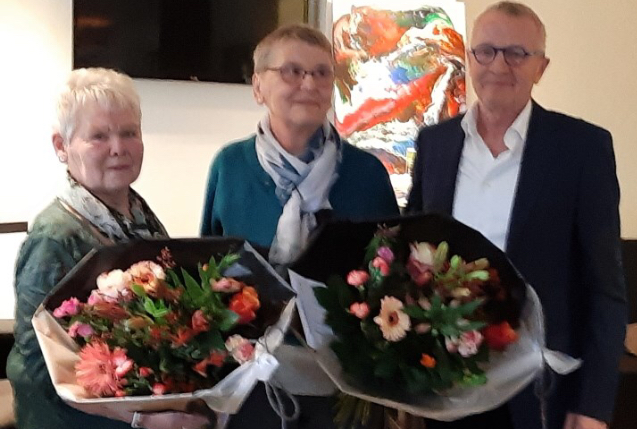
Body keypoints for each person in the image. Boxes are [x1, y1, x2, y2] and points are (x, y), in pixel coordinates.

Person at [407, 3, 628, 429]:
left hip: (539, 392)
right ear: (469, 58)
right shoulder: (434, 144)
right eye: (486, 51)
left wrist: (594, 405)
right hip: (445, 384)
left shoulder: (582, 149)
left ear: (541, 67)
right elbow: (411, 255)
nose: (499, 65)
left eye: (517, 53)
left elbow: (607, 289)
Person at [200, 24, 400, 429]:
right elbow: (208, 276)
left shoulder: (367, 174)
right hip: (253, 384)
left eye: (322, 73)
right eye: (292, 71)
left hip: (347, 393)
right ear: (258, 87)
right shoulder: (230, 167)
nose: (309, 84)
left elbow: (392, 281)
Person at [6, 68, 212, 429]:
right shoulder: (54, 238)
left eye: (129, 132)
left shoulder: (140, 215)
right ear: (61, 146)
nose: (119, 148)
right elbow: (43, 370)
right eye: (99, 136)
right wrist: (140, 419)